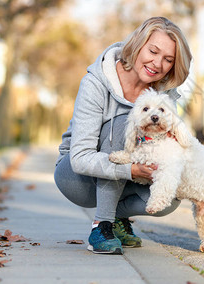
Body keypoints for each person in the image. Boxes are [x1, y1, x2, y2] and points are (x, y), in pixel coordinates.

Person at [54, 17, 192, 255]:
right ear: (138, 44)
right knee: (126, 123)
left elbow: (172, 144)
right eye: (153, 51)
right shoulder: (95, 83)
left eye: (168, 59)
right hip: (78, 178)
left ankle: (118, 217)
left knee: (169, 196)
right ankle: (102, 224)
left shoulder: (164, 95)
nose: (157, 63)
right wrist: (130, 170)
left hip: (130, 173)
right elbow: (79, 157)